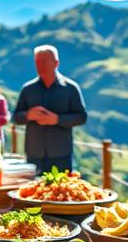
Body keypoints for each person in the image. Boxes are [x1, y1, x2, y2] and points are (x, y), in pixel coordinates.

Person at [13, 45, 87, 173]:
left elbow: (82, 117)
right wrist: (28, 115)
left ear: (56, 63)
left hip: (61, 154)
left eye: (44, 61)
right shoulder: (28, 89)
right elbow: (15, 118)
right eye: (37, 62)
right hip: (34, 154)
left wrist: (57, 119)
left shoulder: (70, 88)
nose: (40, 66)